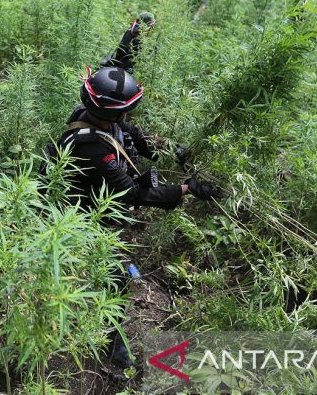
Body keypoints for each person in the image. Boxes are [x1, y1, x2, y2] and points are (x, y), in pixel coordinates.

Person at [51, 66, 222, 368]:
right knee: (116, 280)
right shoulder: (90, 146)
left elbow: (134, 136)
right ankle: (116, 352)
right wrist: (185, 189)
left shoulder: (96, 116)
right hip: (81, 216)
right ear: (115, 112)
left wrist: (174, 150)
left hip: (96, 202)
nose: (126, 118)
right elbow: (131, 194)